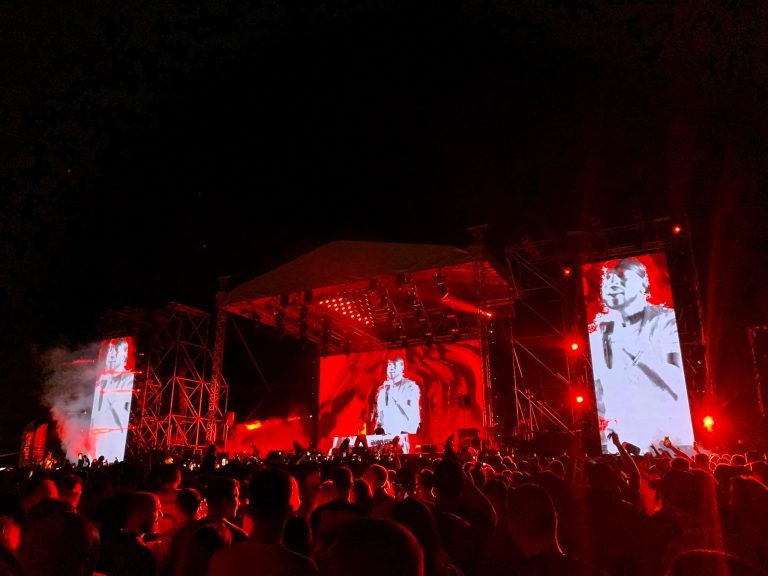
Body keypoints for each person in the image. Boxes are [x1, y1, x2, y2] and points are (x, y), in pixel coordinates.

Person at [588, 257, 695, 454]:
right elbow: (597, 392)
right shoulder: (597, 335)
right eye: (607, 279)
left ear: (643, 284)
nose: (612, 283)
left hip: (670, 433)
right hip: (625, 436)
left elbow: (675, 378)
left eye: (621, 277)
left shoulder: (667, 322)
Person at [371, 357, 421, 453]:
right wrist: (376, 433)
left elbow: (411, 413)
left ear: (402, 368)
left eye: (394, 365)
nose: (391, 368)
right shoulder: (382, 391)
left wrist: (393, 392)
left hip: (405, 439)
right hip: (386, 441)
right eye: (389, 365)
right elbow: (380, 417)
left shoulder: (410, 387)